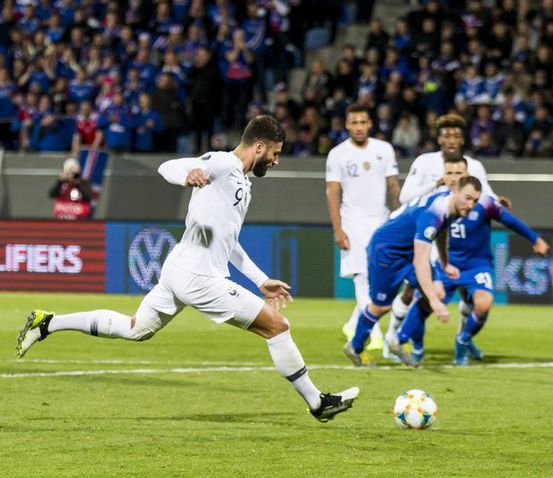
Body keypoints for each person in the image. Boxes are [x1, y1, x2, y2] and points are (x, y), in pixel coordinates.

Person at [16, 116, 359, 421]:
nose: (276, 160)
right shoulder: (223, 163)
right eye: (274, 152)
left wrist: (261, 280)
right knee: (277, 326)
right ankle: (317, 403)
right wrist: (188, 174)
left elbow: (230, 244)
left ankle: (47, 323)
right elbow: (167, 167)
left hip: (178, 269)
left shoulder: (241, 183)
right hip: (198, 278)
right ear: (258, 146)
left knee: (136, 329)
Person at [394, 157, 550, 366]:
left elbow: (510, 221)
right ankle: (407, 343)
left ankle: (463, 339)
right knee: (432, 296)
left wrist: (535, 238)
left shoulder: (483, 202)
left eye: (459, 173)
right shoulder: (438, 203)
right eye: (451, 173)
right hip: (447, 263)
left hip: (477, 265)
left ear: (466, 175)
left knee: (483, 302)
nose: (454, 177)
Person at [385, 113, 510, 359]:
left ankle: (463, 341)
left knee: (468, 293)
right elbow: (404, 197)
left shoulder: (474, 166)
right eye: (446, 135)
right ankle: (393, 338)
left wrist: (498, 203)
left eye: (456, 135)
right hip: (426, 234)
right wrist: (436, 183)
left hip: (459, 240)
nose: (451, 139)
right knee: (414, 290)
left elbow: (487, 196)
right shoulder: (424, 162)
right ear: (439, 138)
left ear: (462, 139)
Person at [343, 175, 483, 367]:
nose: (471, 204)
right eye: (468, 197)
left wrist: (445, 263)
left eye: (475, 200)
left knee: (438, 290)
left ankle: (398, 340)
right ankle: (355, 346)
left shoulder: (451, 206)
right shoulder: (433, 214)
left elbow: (442, 234)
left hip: (407, 251)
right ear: (455, 192)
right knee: (381, 306)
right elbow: (420, 261)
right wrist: (434, 302)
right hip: (387, 251)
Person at [326, 103, 400, 353]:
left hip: (381, 222)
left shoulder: (384, 150)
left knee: (382, 280)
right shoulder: (337, 154)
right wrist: (338, 228)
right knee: (361, 277)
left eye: (363, 122)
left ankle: (352, 324)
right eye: (354, 122)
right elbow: (332, 192)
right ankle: (374, 333)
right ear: (347, 125)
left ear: (370, 124)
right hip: (352, 222)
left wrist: (399, 218)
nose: (359, 127)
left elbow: (393, 186)